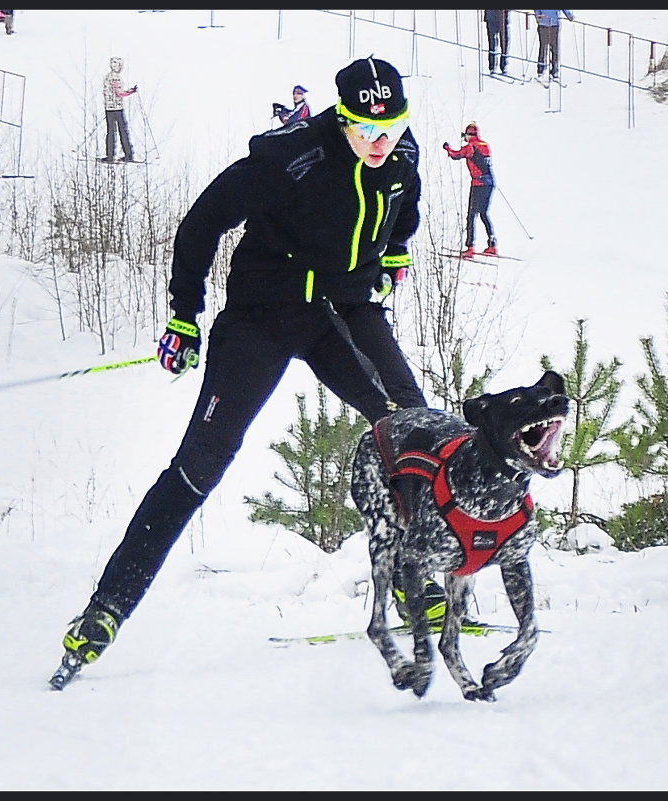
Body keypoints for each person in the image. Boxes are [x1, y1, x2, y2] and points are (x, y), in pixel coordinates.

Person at [55, 56, 429, 676]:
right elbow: (202, 223)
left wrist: (390, 260)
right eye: (365, 129)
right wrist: (183, 314)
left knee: (415, 432)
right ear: (342, 119)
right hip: (263, 313)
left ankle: (416, 584)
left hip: (345, 312)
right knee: (202, 460)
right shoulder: (291, 159)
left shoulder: (401, 155)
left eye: (389, 128)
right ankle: (107, 608)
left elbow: (401, 213)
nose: (379, 142)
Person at [443, 121, 497, 259]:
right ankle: (492, 244)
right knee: (484, 213)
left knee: (471, 215)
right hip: (490, 183)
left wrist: (448, 148)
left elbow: (456, 155)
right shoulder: (485, 145)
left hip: (478, 184)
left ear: (469, 135)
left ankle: (470, 247)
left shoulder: (471, 147)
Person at [101, 56, 138, 162]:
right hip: (117, 108)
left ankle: (111, 155)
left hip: (109, 108)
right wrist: (131, 91)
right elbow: (119, 93)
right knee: (122, 131)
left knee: (111, 132)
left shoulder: (108, 77)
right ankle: (128, 154)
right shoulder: (115, 78)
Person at [533, 10, 574, 80]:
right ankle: (541, 69)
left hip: (554, 24)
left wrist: (569, 15)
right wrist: (538, 16)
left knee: (554, 48)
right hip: (543, 24)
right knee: (543, 47)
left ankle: (554, 70)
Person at [483, 10, 510, 76]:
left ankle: (504, 65)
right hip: (492, 16)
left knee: (505, 41)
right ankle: (493, 66)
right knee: (493, 41)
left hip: (504, 16)